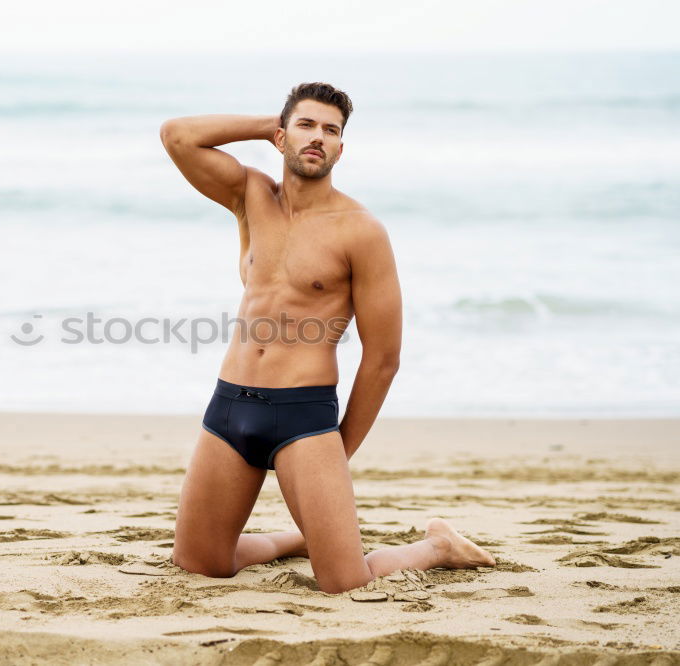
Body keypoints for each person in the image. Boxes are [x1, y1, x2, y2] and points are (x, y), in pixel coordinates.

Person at [159, 82, 495, 594]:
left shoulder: (360, 231)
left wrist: (340, 446)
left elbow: (383, 358)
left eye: (331, 131)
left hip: (303, 417)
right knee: (201, 564)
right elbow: (178, 136)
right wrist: (265, 125)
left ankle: (436, 547)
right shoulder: (250, 195)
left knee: (343, 580)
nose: (319, 138)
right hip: (230, 406)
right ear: (281, 136)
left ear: (342, 147)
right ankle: (293, 539)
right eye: (306, 125)